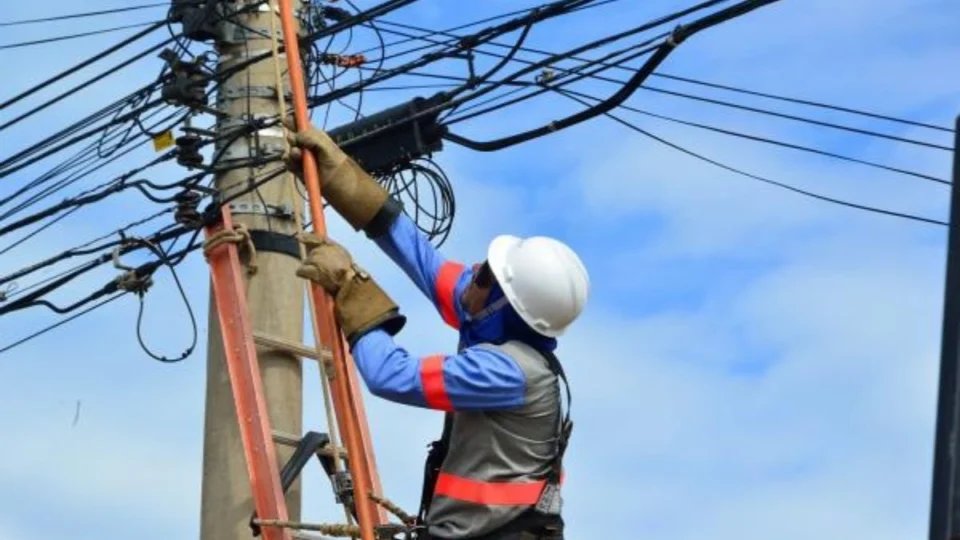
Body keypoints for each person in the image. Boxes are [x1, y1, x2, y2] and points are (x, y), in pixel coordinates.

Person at [285, 125, 590, 540]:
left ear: (507, 304)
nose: (473, 274)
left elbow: (391, 375)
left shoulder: (509, 372)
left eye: (485, 275)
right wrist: (338, 176)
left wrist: (352, 287)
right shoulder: (489, 317)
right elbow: (421, 257)